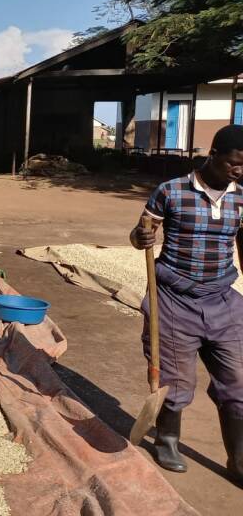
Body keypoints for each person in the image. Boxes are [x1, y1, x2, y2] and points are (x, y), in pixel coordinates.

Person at [130, 124, 243, 485]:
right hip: (174, 299)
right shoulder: (171, 191)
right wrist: (141, 236)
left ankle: (239, 459)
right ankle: (167, 440)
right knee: (176, 382)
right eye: (233, 164)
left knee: (238, 380)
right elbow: (140, 232)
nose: (238, 171)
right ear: (214, 155)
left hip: (223, 299)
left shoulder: (241, 197)